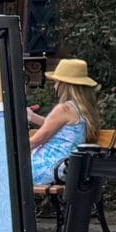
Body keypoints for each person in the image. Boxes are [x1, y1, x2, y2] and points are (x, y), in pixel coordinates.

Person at [27, 57, 99, 189]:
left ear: (64, 84)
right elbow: (60, 129)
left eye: (56, 82)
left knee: (4, 172)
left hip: (48, 168)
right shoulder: (82, 110)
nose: (54, 86)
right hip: (67, 168)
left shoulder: (63, 109)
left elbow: (34, 142)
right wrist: (33, 117)